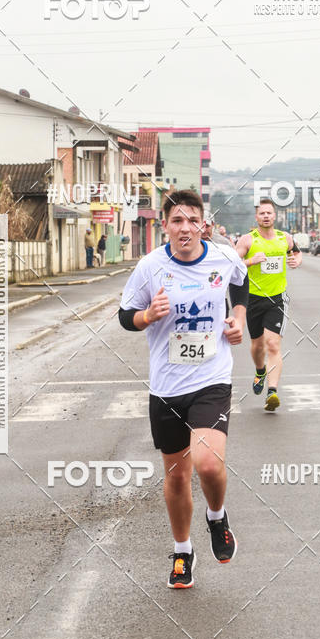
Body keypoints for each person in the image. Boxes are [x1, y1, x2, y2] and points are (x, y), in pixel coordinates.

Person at [119, 190, 249, 588]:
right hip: (167, 386)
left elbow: (241, 283)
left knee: (207, 463)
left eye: (192, 220)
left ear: (202, 224)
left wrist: (238, 318)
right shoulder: (150, 267)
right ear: (165, 226)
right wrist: (146, 315)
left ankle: (217, 516)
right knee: (176, 476)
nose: (185, 228)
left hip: (212, 379)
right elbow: (125, 315)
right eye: (177, 220)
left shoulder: (223, 257)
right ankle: (182, 551)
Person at [236, 197, 302, 411]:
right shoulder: (248, 240)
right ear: (257, 217)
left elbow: (296, 252)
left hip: (277, 299)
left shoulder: (285, 238)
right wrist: (250, 261)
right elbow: (231, 264)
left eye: (269, 213)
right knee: (257, 346)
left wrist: (296, 260)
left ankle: (272, 392)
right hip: (253, 299)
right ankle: (260, 371)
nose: (266, 216)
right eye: (262, 213)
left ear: (275, 216)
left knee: (272, 344)